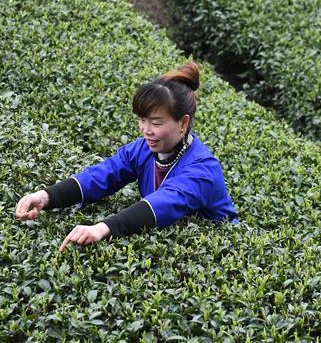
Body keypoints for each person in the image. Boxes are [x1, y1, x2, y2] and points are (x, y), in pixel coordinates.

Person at [15, 62, 237, 250]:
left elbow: (166, 202)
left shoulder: (203, 168)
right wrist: (46, 197)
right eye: (142, 120)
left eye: (156, 123)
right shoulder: (144, 149)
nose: (146, 130)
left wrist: (103, 228)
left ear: (183, 123)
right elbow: (104, 174)